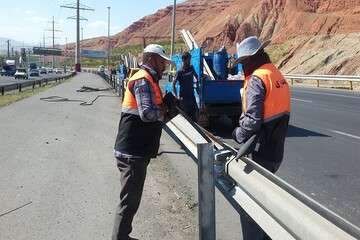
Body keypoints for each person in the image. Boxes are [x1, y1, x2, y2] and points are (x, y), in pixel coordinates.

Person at [232, 36, 291, 240]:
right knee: (265, 204)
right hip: (276, 152)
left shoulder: (257, 79)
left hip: (259, 152)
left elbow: (252, 121)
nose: (241, 68)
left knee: (250, 208)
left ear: (251, 59)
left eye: (242, 63)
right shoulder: (276, 74)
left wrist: (237, 134)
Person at [112, 44, 172, 240]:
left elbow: (152, 110)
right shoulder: (143, 80)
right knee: (129, 201)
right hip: (132, 151)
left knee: (132, 199)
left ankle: (123, 236)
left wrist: (165, 107)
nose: (164, 66)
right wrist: (165, 111)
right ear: (152, 59)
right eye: (162, 62)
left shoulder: (149, 80)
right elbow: (147, 113)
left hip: (137, 149)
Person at [172, 52, 199, 122]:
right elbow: (173, 84)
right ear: (184, 60)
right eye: (189, 59)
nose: (190, 61)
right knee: (185, 118)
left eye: (190, 59)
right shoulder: (180, 72)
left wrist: (197, 86)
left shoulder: (191, 68)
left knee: (195, 115)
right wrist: (176, 96)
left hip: (192, 96)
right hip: (183, 98)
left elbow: (196, 77)